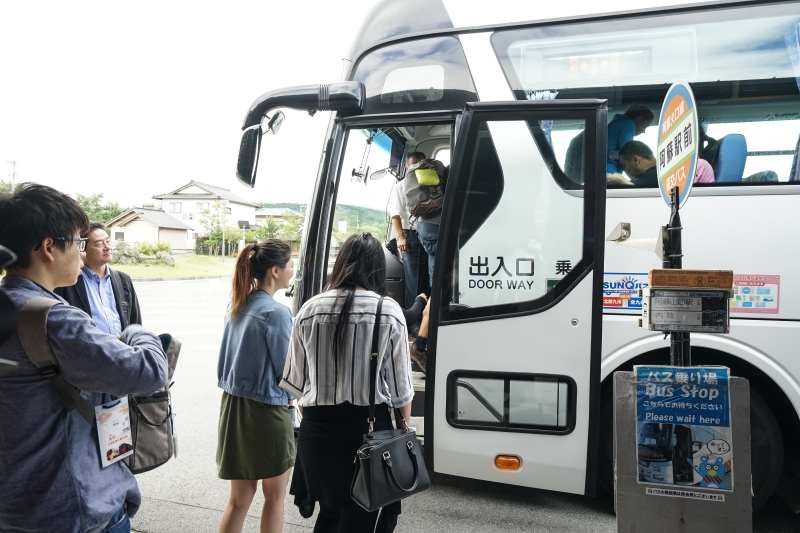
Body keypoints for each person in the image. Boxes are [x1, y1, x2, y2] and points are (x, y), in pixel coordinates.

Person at [0, 183, 167, 533]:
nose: (81, 251)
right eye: (78, 242)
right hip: (72, 510)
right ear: (49, 247)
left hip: (16, 507)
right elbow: (148, 371)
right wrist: (137, 333)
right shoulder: (55, 320)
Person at [280, 233, 414, 533]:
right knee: (360, 518)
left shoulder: (310, 309)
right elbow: (402, 391)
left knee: (329, 515)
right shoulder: (388, 310)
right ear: (378, 269)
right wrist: (403, 432)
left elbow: (294, 385)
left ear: (341, 264)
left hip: (318, 435)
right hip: (367, 434)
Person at [216, 238, 296, 533]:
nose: (292, 271)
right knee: (274, 498)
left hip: (234, 409)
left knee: (239, 499)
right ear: (275, 270)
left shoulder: (237, 303)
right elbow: (288, 371)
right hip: (267, 411)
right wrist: (295, 397)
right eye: (290, 266)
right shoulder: (276, 313)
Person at [55, 222, 141, 334]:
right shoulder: (68, 282)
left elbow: (135, 322)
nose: (107, 247)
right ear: (82, 249)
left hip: (122, 350)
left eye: (108, 241)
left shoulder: (123, 280)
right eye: (99, 244)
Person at [389, 163, 428, 312]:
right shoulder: (402, 186)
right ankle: (416, 319)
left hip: (420, 234)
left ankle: (419, 319)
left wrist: (401, 237)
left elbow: (395, 215)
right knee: (420, 280)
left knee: (421, 281)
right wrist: (401, 237)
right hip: (419, 234)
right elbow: (396, 215)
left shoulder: (405, 185)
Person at [405, 152, 442, 289]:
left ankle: (435, 300)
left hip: (424, 226)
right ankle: (438, 303)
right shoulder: (437, 171)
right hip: (437, 225)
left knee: (434, 264)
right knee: (442, 266)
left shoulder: (407, 182)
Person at [607, 104, 655, 174]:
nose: (643, 131)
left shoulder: (617, 123)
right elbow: (628, 157)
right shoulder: (628, 124)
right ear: (639, 118)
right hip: (610, 171)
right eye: (645, 125)